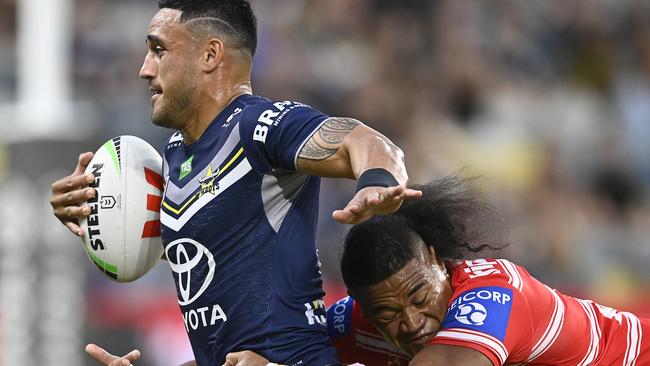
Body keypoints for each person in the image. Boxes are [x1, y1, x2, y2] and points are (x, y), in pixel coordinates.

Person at [49, 1, 422, 365]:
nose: (145, 70)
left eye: (159, 50)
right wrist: (92, 211)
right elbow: (213, 254)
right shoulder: (176, 154)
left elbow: (366, 141)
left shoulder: (261, 126)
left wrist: (375, 180)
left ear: (210, 55)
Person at [337, 176, 650, 365]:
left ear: (437, 261)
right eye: (388, 314)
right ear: (360, 304)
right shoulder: (353, 320)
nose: (412, 323)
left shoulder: (493, 293)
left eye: (420, 297)